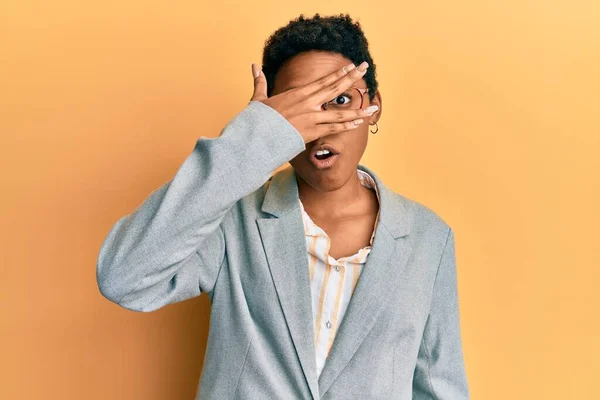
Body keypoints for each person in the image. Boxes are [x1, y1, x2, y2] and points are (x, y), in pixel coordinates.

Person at [96, 13, 469, 399]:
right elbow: (124, 278)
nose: (322, 126)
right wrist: (254, 138)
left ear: (373, 106)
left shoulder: (428, 238)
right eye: (300, 109)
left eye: (341, 100)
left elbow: (439, 385)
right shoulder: (233, 220)